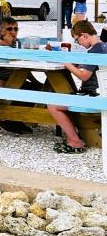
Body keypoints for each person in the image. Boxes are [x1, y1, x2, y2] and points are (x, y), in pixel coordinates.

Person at [47, 20, 106, 153]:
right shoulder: (103, 47)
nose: (78, 43)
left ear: (84, 35)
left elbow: (84, 76)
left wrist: (66, 62)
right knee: (67, 97)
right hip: (101, 95)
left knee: (52, 105)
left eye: (77, 40)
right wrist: (78, 64)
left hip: (93, 97)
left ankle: (75, 142)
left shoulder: (95, 51)